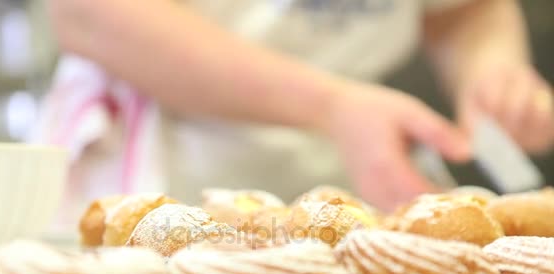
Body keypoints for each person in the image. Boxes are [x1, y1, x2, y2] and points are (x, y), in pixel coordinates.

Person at [46, 0, 554, 213]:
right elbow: (89, 13)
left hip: (358, 173)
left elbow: (463, 11)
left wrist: (492, 69)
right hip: (159, 179)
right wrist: (330, 105)